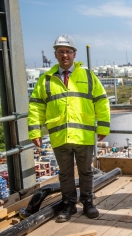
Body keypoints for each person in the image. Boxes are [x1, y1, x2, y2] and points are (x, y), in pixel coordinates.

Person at [28, 34, 111, 222]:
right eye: (60, 52)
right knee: (64, 173)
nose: (64, 55)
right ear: (55, 55)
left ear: (74, 54)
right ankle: (68, 205)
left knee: (86, 171)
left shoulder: (88, 76)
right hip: (60, 136)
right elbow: (35, 106)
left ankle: (88, 203)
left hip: (83, 135)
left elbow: (101, 102)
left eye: (68, 52)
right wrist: (35, 131)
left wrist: (103, 127)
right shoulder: (46, 80)